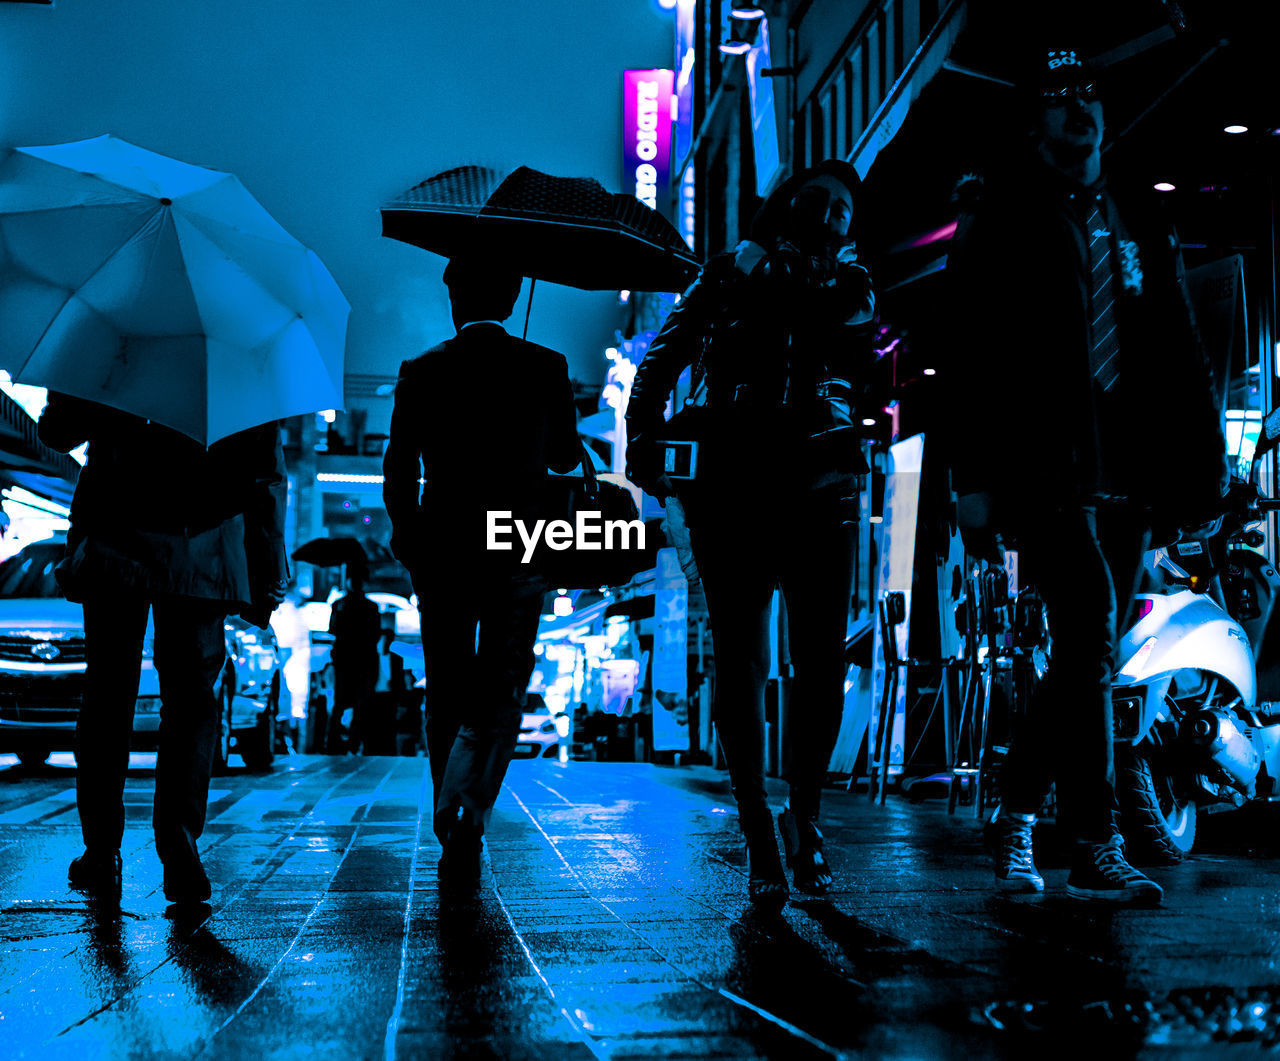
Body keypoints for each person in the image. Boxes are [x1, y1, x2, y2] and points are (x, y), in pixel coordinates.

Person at [946, 49, 1227, 903]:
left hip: (1130, 464)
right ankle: (1091, 838)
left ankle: (1022, 816)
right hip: (1045, 465)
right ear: (1034, 125)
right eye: (1058, 99)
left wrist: (1205, 471)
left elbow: (1178, 345)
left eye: (1089, 95)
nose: (1080, 110)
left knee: (1085, 658)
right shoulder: (998, 217)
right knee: (1092, 638)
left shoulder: (1137, 214)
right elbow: (971, 360)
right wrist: (974, 481)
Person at [627, 160, 875, 907]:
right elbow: (659, 360)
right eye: (817, 200)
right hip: (732, 487)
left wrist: (770, 270)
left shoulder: (851, 284)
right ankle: (758, 826)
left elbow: (844, 318)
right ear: (786, 204)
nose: (829, 214)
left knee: (820, 661)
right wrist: (643, 440)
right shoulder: (726, 272)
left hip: (820, 486)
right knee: (738, 656)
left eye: (842, 208)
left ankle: (806, 819)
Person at [38, 394, 287, 903]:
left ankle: (102, 850)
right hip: (203, 546)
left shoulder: (115, 336)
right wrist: (267, 570)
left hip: (114, 538)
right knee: (193, 700)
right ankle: (179, 845)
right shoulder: (235, 350)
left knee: (108, 693)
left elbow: (56, 433)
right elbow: (263, 476)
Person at [383, 252, 580, 885]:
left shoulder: (422, 371)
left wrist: (410, 535)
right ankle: (469, 807)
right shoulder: (546, 367)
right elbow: (565, 455)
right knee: (502, 682)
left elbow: (398, 469)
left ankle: (450, 818)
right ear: (515, 291)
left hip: (442, 546)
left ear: (454, 298)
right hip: (520, 543)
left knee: (447, 681)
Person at [325, 563, 381, 754]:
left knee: (341, 702)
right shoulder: (371, 607)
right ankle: (355, 742)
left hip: (344, 660)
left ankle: (333, 743)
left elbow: (332, 630)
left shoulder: (339, 605)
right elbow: (375, 635)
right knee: (360, 704)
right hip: (363, 661)